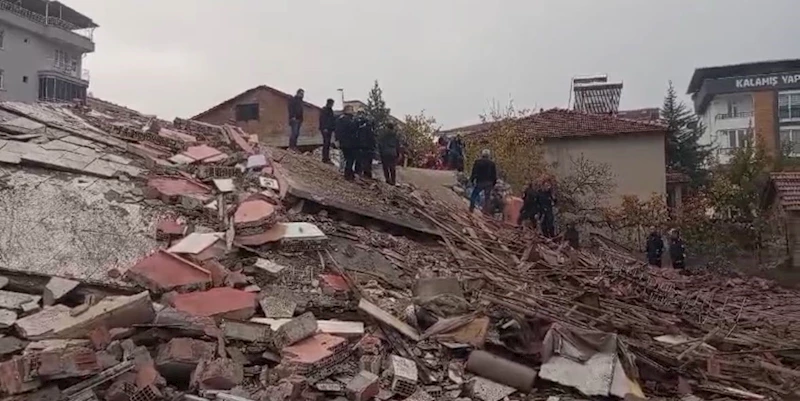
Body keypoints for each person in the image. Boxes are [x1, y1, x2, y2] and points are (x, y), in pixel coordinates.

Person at [469, 149, 497, 213]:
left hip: (480, 181)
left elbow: (474, 172)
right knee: (487, 197)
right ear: (489, 155)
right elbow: (494, 174)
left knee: (474, 194)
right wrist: (494, 183)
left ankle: (471, 208)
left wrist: (472, 180)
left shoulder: (477, 162)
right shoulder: (492, 163)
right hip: (489, 182)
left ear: (482, 154)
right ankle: (486, 211)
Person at [335, 105, 358, 180]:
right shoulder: (348, 120)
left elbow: (337, 131)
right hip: (349, 142)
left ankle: (348, 172)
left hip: (343, 142)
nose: (353, 111)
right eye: (351, 110)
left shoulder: (339, 119)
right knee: (350, 158)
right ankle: (348, 174)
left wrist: (337, 140)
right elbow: (353, 129)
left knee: (346, 158)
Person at [354, 113, 376, 179]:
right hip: (366, 148)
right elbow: (372, 140)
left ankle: (361, 172)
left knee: (362, 161)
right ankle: (365, 174)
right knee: (366, 162)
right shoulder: (370, 131)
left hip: (363, 147)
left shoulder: (361, 129)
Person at [318, 98, 336, 163]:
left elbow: (332, 120)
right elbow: (322, 119)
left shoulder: (330, 110)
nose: (332, 105)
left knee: (328, 143)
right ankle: (325, 158)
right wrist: (324, 128)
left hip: (330, 129)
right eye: (332, 103)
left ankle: (327, 157)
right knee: (326, 143)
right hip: (325, 129)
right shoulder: (324, 110)